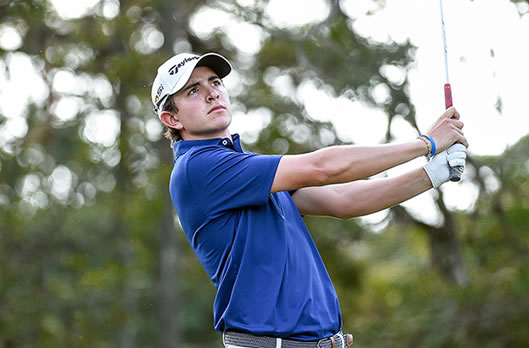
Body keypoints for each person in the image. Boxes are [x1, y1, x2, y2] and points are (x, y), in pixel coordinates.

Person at [151, 52, 468, 348]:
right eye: (193, 90)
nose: (212, 93)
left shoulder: (245, 167)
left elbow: (342, 200)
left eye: (215, 83)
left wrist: (433, 173)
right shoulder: (199, 168)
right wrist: (426, 143)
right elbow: (325, 168)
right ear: (172, 119)